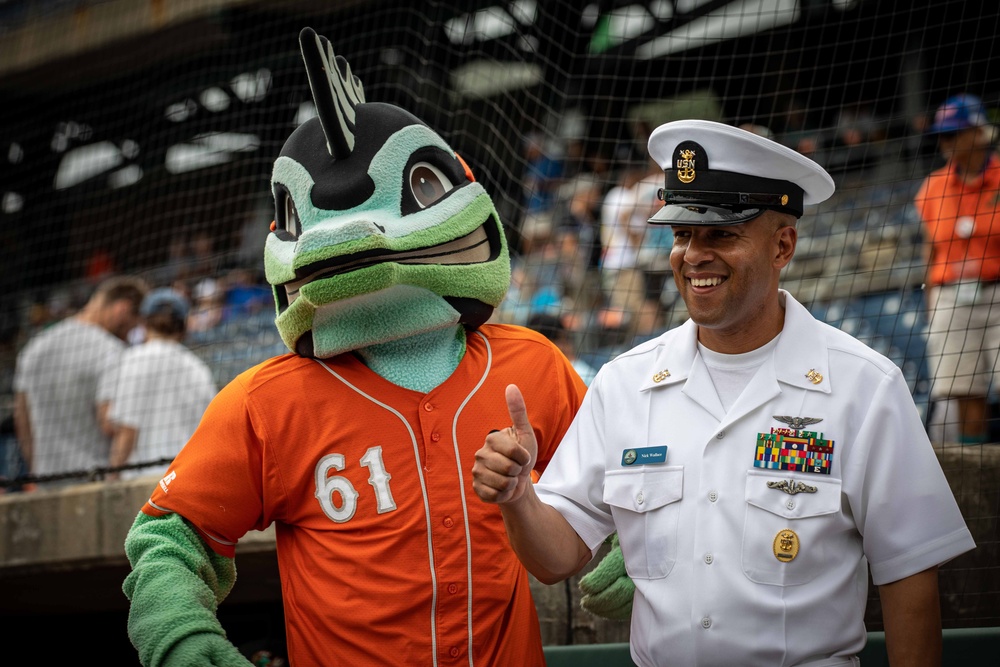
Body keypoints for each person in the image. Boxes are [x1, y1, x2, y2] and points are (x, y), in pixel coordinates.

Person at [121, 28, 586, 667]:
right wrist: (179, 633)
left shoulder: (530, 363)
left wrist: (620, 552)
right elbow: (172, 535)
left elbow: (617, 485)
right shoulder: (268, 400)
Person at [473, 120, 976, 667]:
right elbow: (556, 557)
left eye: (721, 234)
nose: (693, 255)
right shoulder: (625, 383)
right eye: (683, 235)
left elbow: (910, 582)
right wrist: (520, 496)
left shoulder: (864, 387)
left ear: (783, 245)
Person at [914, 94, 1000, 445]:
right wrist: (931, 305)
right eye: (942, 135)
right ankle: (976, 482)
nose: (946, 143)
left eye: (954, 134)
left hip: (997, 291)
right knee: (965, 391)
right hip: (952, 296)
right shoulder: (932, 187)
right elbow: (929, 250)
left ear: (978, 133)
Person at [13, 275, 147, 488]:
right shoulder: (111, 351)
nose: (130, 334)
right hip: (92, 482)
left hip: (46, 482)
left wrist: (36, 469)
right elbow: (113, 423)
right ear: (122, 309)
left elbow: (22, 418)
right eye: (132, 326)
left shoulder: (35, 347)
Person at [107, 288, 216, 481]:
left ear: (144, 322)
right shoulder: (199, 369)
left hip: (141, 481)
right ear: (183, 326)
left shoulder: (131, 360)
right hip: (185, 479)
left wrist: (112, 475)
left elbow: (127, 431)